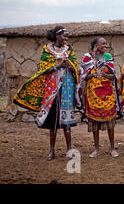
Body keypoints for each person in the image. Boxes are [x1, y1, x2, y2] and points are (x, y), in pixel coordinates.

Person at [14, 26, 78, 161]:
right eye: (64, 35)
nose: (67, 38)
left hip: (66, 86)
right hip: (52, 88)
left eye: (67, 36)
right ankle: (52, 150)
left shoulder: (69, 50)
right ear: (57, 35)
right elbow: (44, 69)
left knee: (66, 121)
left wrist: (70, 66)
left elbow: (75, 67)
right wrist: (58, 66)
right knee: (52, 121)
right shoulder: (46, 50)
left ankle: (69, 150)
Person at [77, 37, 122, 158]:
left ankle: (112, 148)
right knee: (94, 124)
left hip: (107, 95)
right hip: (92, 95)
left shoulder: (108, 57)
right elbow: (83, 77)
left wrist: (104, 74)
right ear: (96, 45)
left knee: (110, 123)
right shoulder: (87, 57)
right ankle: (96, 149)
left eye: (106, 43)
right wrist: (92, 74)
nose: (105, 45)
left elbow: (113, 76)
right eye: (103, 43)